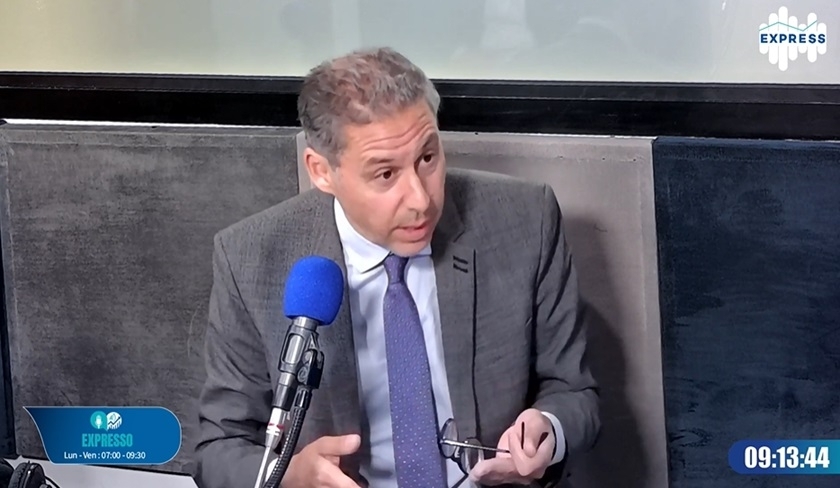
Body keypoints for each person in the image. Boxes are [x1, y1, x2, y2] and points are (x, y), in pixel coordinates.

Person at [193, 46, 600, 488]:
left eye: (427, 158)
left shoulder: (524, 219)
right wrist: (288, 475)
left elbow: (574, 392)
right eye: (385, 175)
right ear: (322, 171)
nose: (421, 200)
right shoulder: (251, 257)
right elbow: (218, 448)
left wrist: (548, 429)